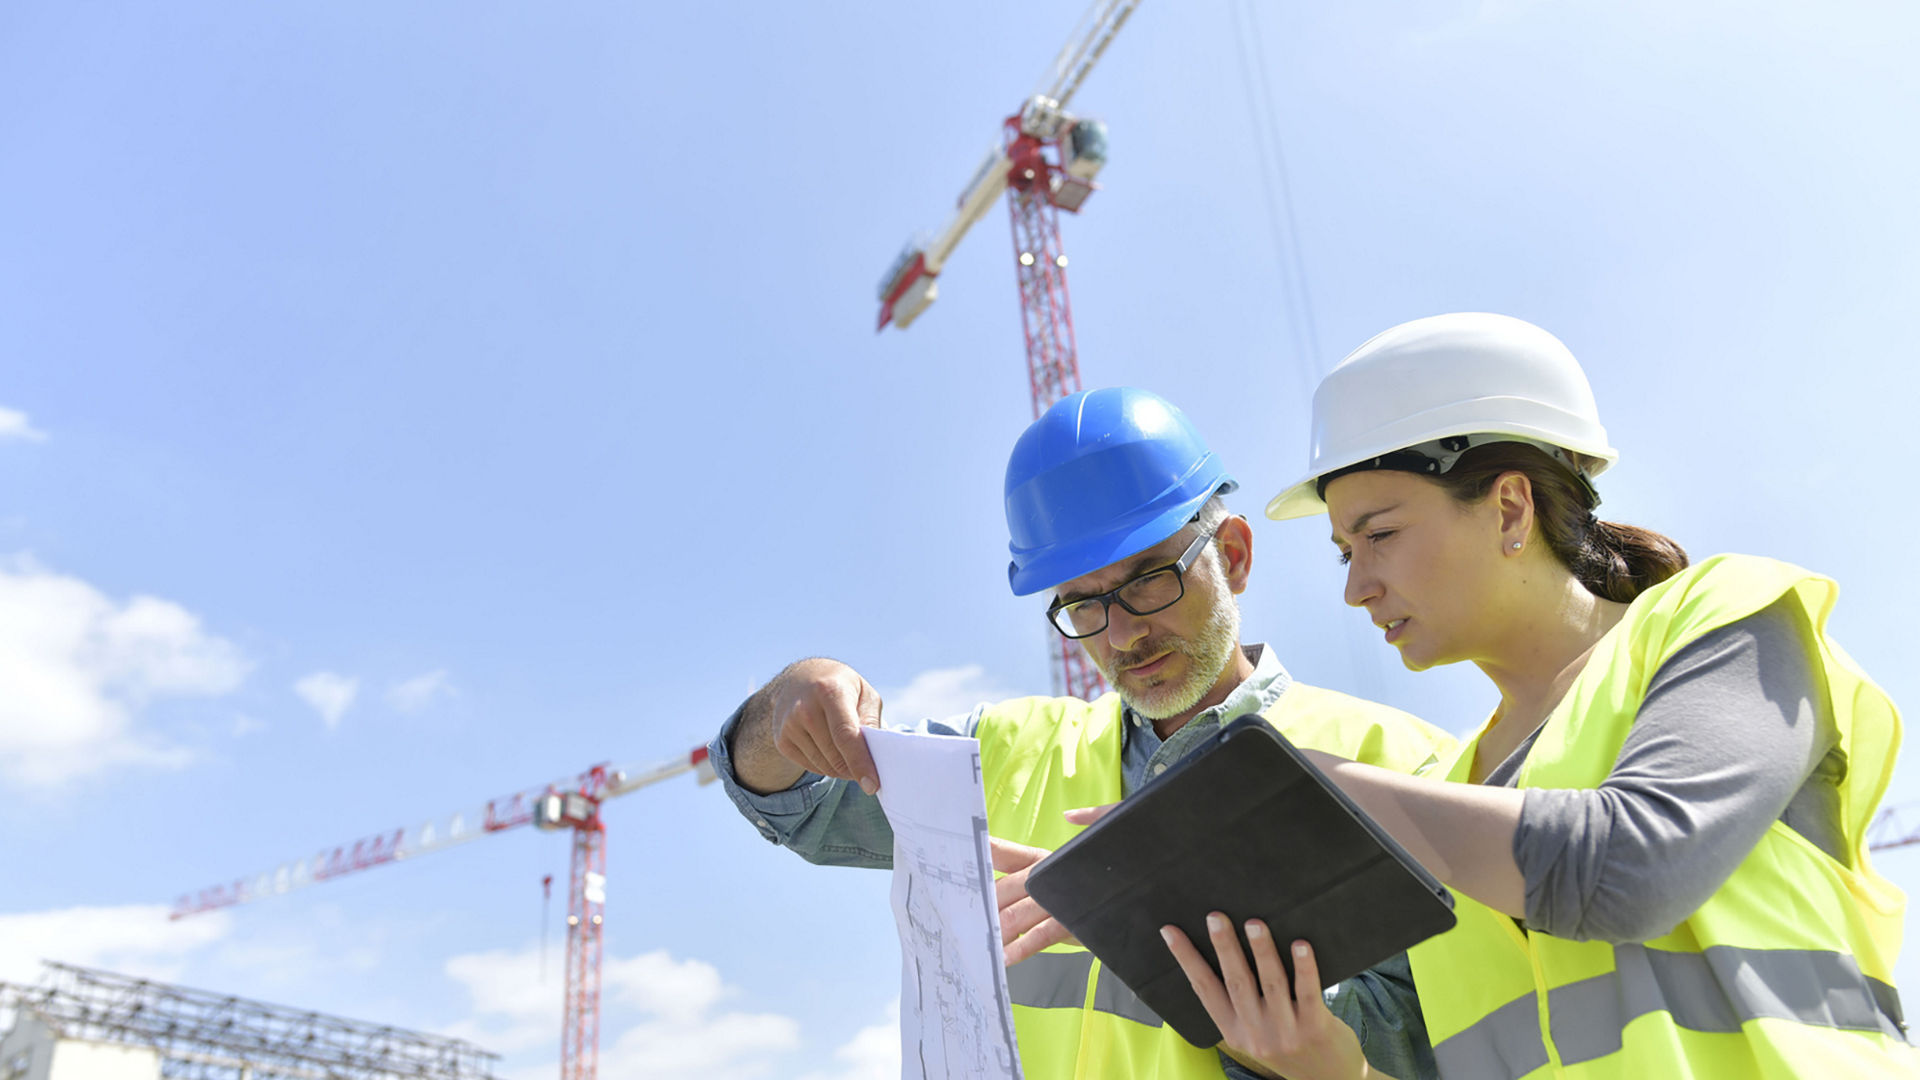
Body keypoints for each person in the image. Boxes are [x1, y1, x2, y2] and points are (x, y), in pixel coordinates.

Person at [1160, 312, 1913, 1078]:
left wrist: (1319, 785)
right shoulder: (1448, 795)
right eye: (1345, 553)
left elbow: (1632, 867)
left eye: (1379, 535)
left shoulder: (1724, 619)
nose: (1356, 588)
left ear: (1510, 508)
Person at [711, 386, 1455, 1080]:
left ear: (1232, 555)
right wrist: (786, 703)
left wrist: (1217, 981)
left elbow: (1442, 1040)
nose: (1124, 632)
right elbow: (798, 803)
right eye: (1083, 604)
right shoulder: (1004, 753)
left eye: (1148, 579)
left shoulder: (1400, 763)